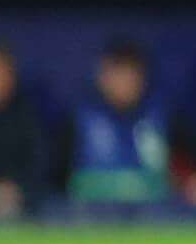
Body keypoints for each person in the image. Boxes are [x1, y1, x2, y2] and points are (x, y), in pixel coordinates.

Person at [64, 41, 173, 215]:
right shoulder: (79, 116)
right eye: (118, 74)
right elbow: (56, 173)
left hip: (152, 212)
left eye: (131, 75)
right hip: (92, 213)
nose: (125, 83)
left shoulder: (160, 114)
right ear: (103, 77)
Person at [0, 40, 48, 216]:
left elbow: (39, 166)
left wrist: (17, 186)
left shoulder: (27, 116)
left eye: (1, 72)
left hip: (15, 206)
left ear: (11, 76)